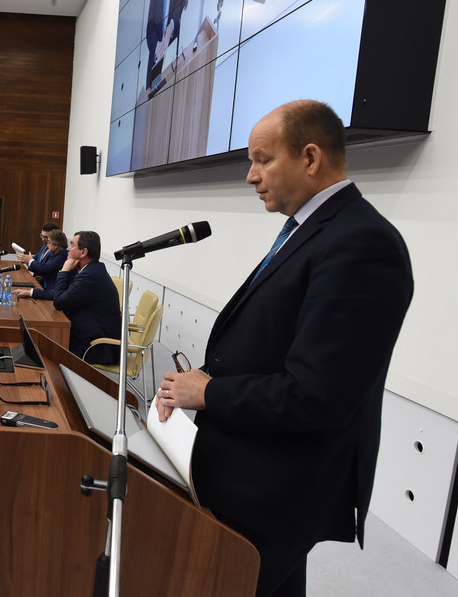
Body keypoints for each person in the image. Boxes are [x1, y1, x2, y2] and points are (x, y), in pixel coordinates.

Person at [155, 100, 414, 597]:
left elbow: (317, 394)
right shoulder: (314, 229)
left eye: (262, 159)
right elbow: (271, 341)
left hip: (278, 483)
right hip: (250, 466)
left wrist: (210, 393)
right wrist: (201, 382)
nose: (251, 176)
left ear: (310, 157)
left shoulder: (361, 243)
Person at [52, 231, 121, 364]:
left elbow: (59, 301)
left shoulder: (90, 276)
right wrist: (33, 292)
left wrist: (64, 271)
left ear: (83, 252)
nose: (67, 248)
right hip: (91, 332)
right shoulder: (92, 269)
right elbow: (65, 294)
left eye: (72, 245)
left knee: (52, 342)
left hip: (97, 346)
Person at [14, 229, 67, 300]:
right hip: (47, 287)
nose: (47, 244)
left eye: (49, 242)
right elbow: (50, 269)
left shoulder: (62, 255)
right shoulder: (55, 253)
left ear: (56, 245)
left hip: (52, 293)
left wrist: (30, 260)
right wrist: (43, 277)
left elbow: (46, 268)